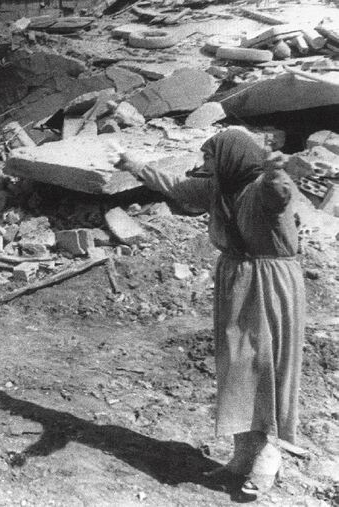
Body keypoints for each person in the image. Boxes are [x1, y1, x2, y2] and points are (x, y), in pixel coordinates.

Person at [116, 129, 303, 498]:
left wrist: (275, 169)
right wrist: (133, 164)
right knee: (235, 364)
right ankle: (243, 451)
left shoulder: (263, 189)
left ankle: (268, 456)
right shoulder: (218, 189)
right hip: (236, 281)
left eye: (209, 158)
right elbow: (174, 186)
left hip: (270, 283)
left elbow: (281, 194)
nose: (203, 165)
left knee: (264, 366)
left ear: (231, 158)